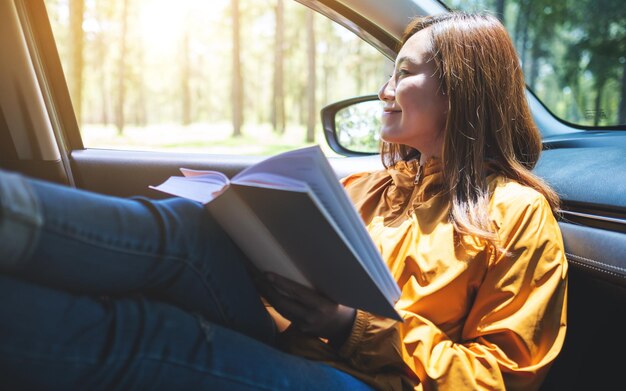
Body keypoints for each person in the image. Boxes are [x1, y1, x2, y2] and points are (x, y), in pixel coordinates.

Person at [0, 12, 566, 391]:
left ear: (461, 90)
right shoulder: (364, 188)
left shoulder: (516, 213)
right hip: (298, 341)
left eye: (404, 72)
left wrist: (351, 327)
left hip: (372, 380)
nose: (384, 89)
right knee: (186, 231)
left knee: (158, 332)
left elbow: (501, 379)